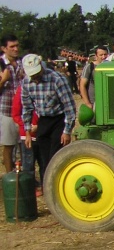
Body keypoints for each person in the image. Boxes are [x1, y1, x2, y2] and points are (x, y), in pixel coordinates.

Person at [20, 54, 77, 185]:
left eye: (36, 73)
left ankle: (59, 184)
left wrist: (67, 131)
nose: (35, 77)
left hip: (59, 119)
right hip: (43, 120)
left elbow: (69, 106)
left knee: (56, 155)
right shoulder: (26, 83)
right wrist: (27, 132)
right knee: (44, 158)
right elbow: (27, 108)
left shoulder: (56, 79)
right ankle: (48, 185)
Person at [11, 84, 42, 195]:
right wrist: (26, 125)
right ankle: (30, 187)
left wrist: (40, 125)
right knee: (28, 163)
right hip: (27, 134)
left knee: (44, 162)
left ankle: (44, 185)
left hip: (42, 132)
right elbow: (15, 113)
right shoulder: (21, 90)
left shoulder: (43, 87)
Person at [1, 34, 25, 173]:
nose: (16, 49)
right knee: (9, 146)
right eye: (12, 47)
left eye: (17, 45)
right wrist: (3, 80)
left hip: (22, 111)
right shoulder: (1, 65)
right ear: (4, 48)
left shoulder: (22, 63)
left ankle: (22, 176)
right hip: (7, 111)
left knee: (23, 146)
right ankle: (9, 177)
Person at [80, 44, 108, 109]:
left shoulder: (110, 66)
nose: (103, 57)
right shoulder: (89, 67)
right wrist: (87, 103)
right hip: (94, 103)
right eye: (101, 55)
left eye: (105, 54)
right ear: (96, 56)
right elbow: (82, 85)